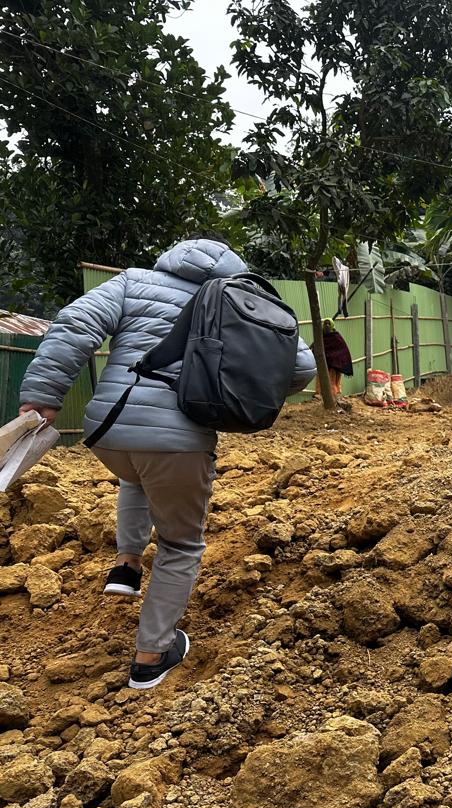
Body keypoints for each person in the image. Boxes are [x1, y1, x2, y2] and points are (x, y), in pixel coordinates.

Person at [19, 236, 317, 690]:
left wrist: (43, 397)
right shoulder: (243, 302)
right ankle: (152, 654)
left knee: (136, 478)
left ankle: (126, 566)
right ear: (232, 267)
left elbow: (75, 325)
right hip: (180, 442)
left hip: (108, 433)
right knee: (181, 544)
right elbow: (300, 369)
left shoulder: (131, 282)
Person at [322, 317, 353, 398]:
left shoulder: (336, 337)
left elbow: (342, 350)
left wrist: (333, 358)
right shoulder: (321, 336)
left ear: (332, 325)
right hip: (325, 363)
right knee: (324, 381)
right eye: (325, 324)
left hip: (335, 364)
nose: (327, 326)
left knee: (333, 382)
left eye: (329, 324)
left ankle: (334, 396)